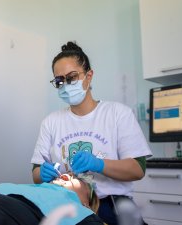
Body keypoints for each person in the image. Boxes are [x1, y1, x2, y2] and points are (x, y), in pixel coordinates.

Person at [31, 41, 152, 225]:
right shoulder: (51, 122)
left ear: (89, 75)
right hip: (65, 201)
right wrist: (43, 173)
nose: (65, 84)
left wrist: (98, 164)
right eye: (59, 81)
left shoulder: (117, 114)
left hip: (110, 202)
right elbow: (36, 173)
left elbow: (138, 169)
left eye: (72, 77)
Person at [0, 174, 103, 225]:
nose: (66, 175)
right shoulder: (38, 188)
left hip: (8, 212)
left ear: (86, 203)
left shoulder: (82, 212)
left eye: (76, 179)